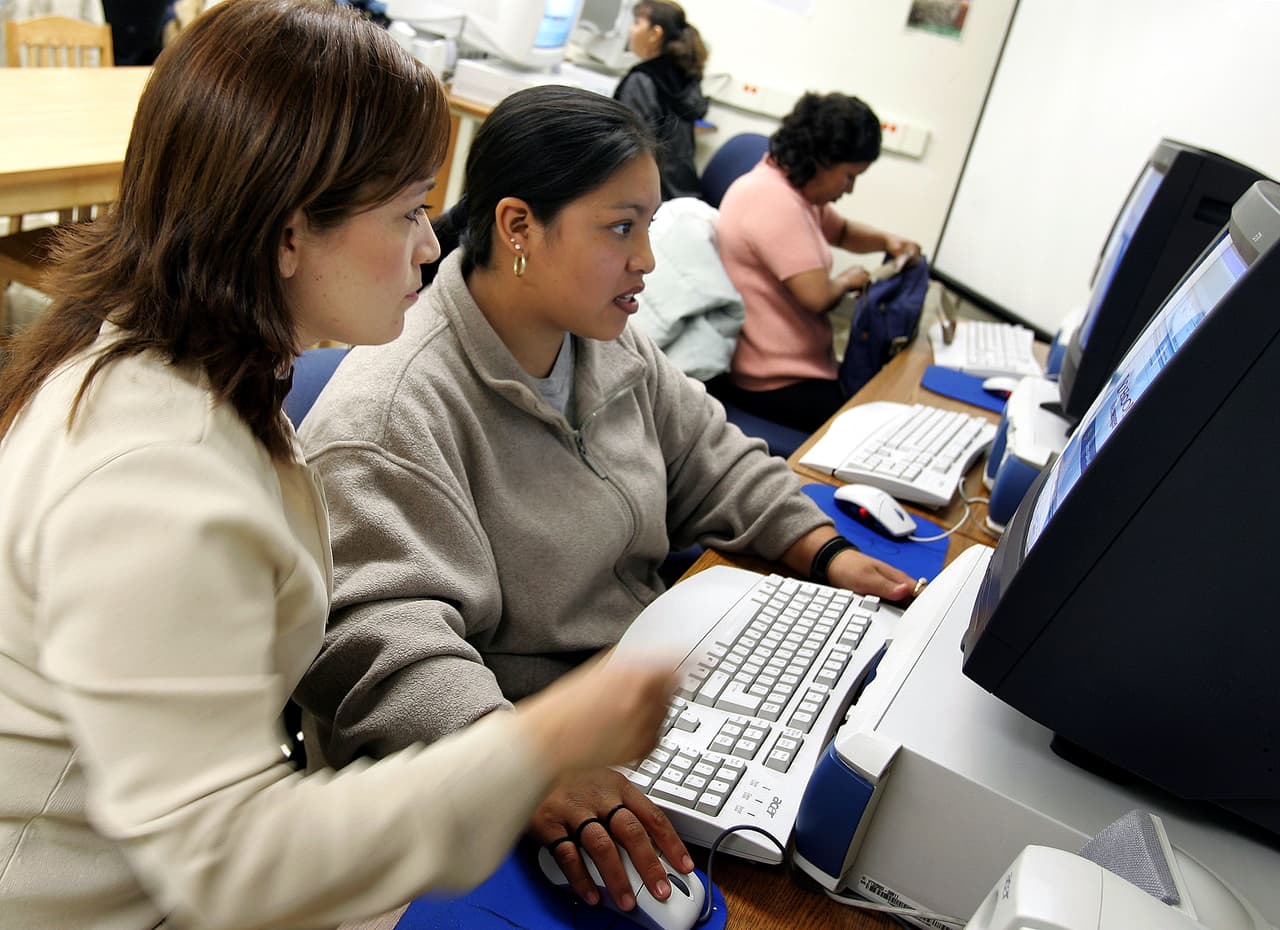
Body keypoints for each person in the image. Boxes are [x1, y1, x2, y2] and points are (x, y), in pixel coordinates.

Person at [0, 3, 675, 929]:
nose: (432, 247)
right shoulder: (157, 476)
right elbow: (229, 861)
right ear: (287, 233)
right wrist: (537, 745)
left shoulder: (192, 363)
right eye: (407, 212)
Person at [294, 83, 917, 917]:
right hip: (515, 764)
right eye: (621, 227)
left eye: (651, 225)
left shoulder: (607, 342)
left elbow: (710, 453)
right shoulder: (394, 410)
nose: (648, 261)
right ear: (517, 227)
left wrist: (823, 547)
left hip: (627, 708)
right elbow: (379, 636)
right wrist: (525, 760)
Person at [715, 92, 923, 433]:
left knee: (884, 404)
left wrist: (887, 241)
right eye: (850, 176)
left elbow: (840, 231)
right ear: (823, 159)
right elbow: (817, 296)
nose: (851, 188)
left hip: (799, 368)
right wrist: (846, 280)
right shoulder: (772, 200)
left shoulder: (789, 185)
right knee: (880, 426)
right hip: (775, 381)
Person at [613, 0, 709, 201]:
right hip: (682, 191)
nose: (631, 29)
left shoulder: (642, 79)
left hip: (651, 197)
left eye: (637, 22)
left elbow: (628, 149)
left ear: (655, 34)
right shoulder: (685, 75)